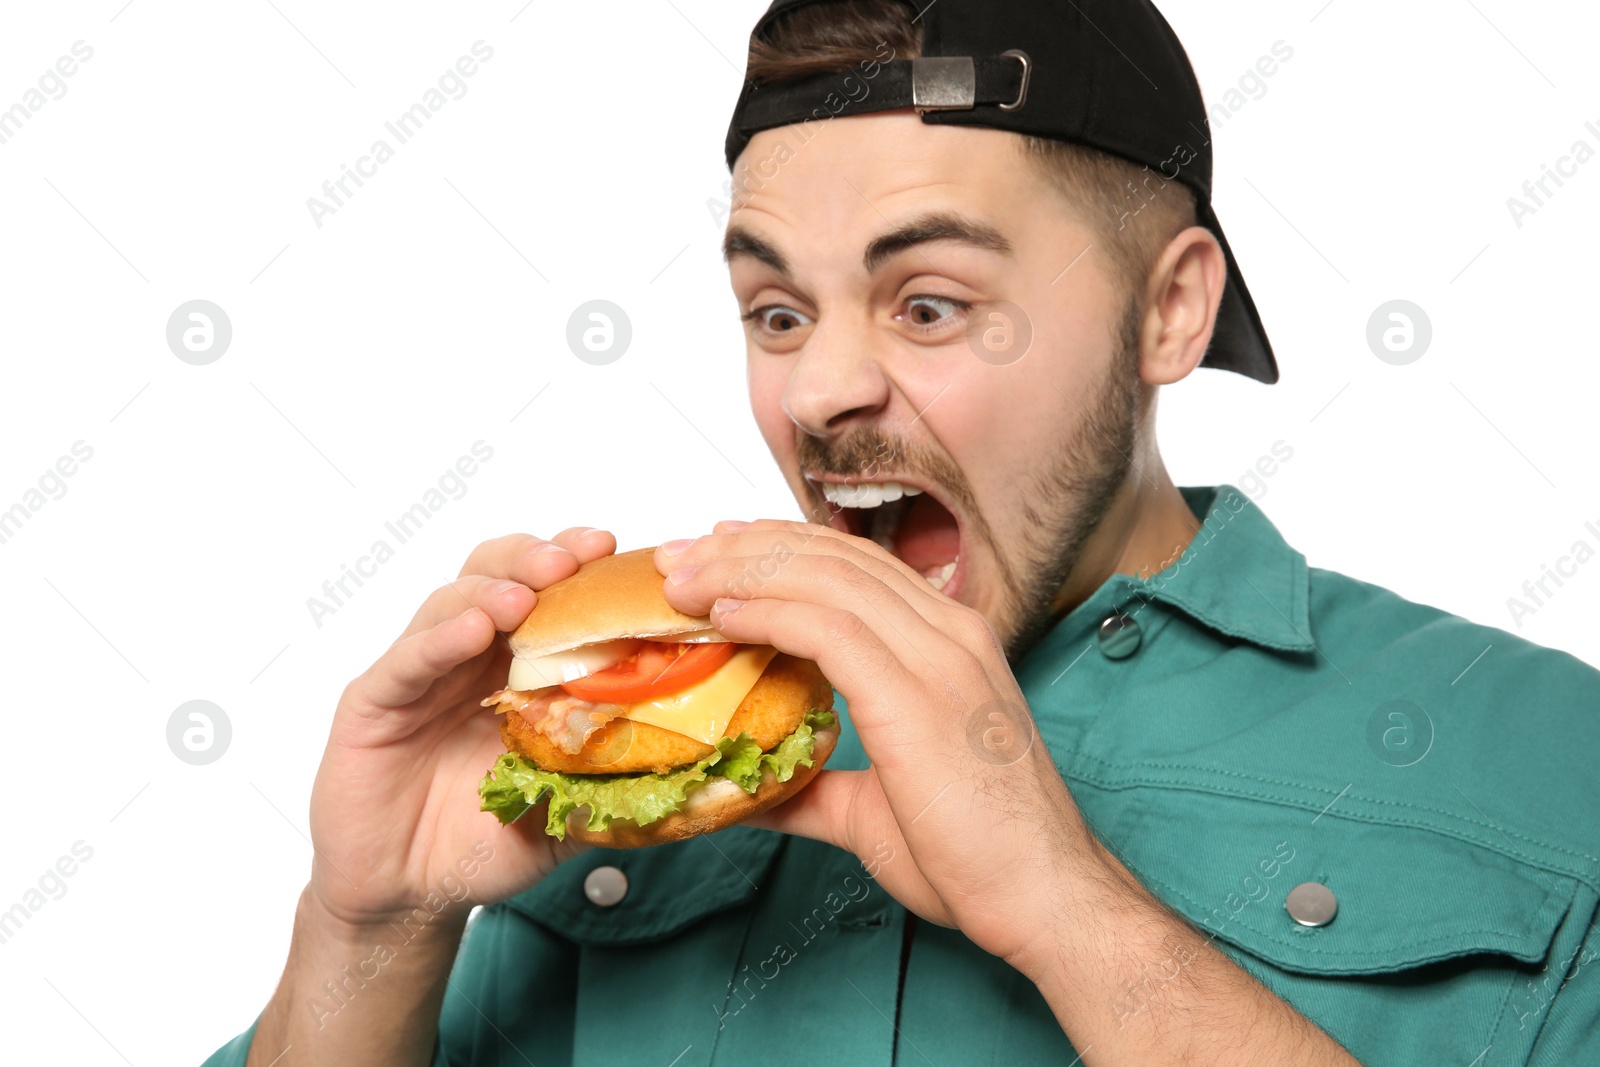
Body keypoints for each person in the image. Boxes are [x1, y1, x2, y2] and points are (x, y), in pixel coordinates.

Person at [207, 1, 1600, 1064]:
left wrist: (1071, 913)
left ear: (1170, 310)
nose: (817, 391)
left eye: (928, 303)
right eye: (777, 312)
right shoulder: (641, 751)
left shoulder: (1550, 761)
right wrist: (370, 933)